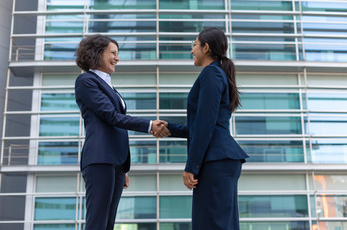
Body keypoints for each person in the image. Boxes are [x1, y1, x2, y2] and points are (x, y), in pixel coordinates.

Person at [155, 28, 249, 230]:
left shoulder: (211, 73)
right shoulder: (217, 73)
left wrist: (192, 166)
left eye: (194, 45)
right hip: (221, 159)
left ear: (206, 48)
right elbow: (206, 124)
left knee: (211, 223)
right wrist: (170, 128)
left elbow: (206, 123)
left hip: (215, 160)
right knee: (220, 223)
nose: (192, 51)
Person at [74, 34, 169, 230]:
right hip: (100, 159)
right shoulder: (86, 81)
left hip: (115, 163)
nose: (117, 58)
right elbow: (111, 116)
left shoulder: (108, 84)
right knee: (97, 222)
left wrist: (122, 167)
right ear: (97, 53)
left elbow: (115, 123)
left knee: (108, 222)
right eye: (113, 53)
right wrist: (149, 125)